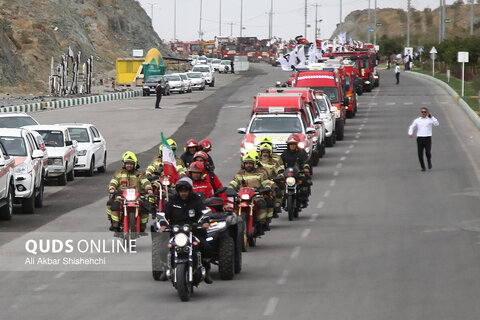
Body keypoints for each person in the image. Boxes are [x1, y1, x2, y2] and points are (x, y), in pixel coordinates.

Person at [159, 177, 213, 284]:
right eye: (181, 191)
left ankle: (206, 271)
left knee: (206, 247)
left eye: (185, 191)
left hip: (194, 230)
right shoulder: (173, 200)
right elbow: (163, 214)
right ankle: (166, 269)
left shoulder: (196, 199)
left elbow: (203, 212)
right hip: (176, 232)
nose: (183, 193)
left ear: (189, 191)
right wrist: (163, 224)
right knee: (163, 249)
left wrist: (205, 221)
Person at [106, 151, 153, 233]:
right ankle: (115, 225)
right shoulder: (119, 173)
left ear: (134, 164)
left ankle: (142, 227)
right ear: (124, 164)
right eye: (127, 163)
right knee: (115, 205)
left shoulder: (140, 174)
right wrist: (112, 188)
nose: (129, 165)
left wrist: (148, 188)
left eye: (131, 164)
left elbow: (146, 182)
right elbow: (113, 181)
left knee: (145, 207)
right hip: (121, 196)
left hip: (137, 197)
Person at [229, 151, 273, 234]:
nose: (248, 165)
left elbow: (266, 182)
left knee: (262, 203)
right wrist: (230, 189)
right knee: (233, 206)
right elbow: (233, 183)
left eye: (250, 163)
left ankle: (261, 223)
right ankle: (234, 224)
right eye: (246, 163)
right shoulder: (239, 174)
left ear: (254, 164)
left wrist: (267, 187)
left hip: (256, 196)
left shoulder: (261, 173)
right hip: (242, 197)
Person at [281, 134, 312, 208]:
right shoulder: (284, 154)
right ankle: (281, 200)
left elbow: (306, 162)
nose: (292, 146)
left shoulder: (301, 153)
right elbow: (280, 163)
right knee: (279, 184)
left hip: (299, 174)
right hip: (287, 174)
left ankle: (304, 198)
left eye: (294, 144)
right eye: (290, 144)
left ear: (296, 144)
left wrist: (306, 168)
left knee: (305, 181)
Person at [258, 143, 285, 217]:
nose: (265, 154)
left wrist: (280, 176)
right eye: (264, 152)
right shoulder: (257, 161)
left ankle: (275, 209)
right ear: (261, 152)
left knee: (278, 192)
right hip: (258, 182)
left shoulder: (274, 162)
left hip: (271, 181)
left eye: (267, 152)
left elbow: (280, 171)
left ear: (270, 153)